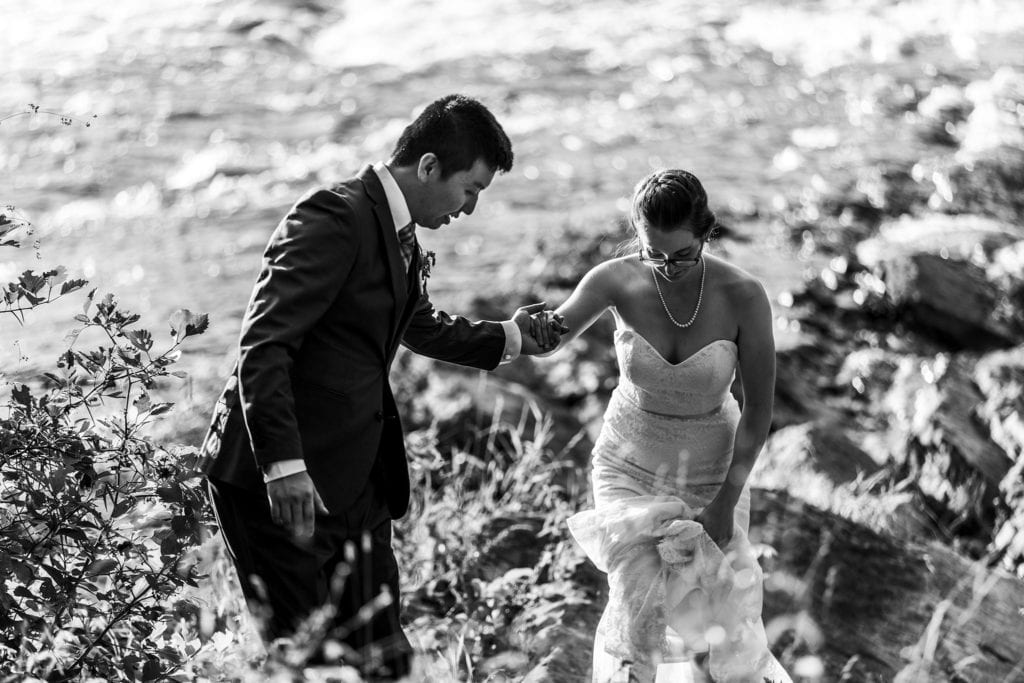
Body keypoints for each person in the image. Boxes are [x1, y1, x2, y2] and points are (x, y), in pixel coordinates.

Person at [198, 94, 563, 679]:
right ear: (428, 166)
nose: (470, 208)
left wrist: (512, 336)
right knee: (310, 660)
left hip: (355, 480)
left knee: (385, 658)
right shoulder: (331, 216)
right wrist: (283, 466)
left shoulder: (401, 231)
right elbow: (264, 344)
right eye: (470, 190)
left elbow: (420, 324)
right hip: (280, 483)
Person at [529, 169, 791, 682]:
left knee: (717, 619)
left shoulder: (744, 295)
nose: (668, 268)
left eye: (682, 255)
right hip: (627, 463)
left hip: (712, 472)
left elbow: (759, 408)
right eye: (655, 255)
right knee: (638, 601)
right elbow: (550, 336)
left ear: (706, 233)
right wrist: (514, 331)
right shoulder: (614, 279)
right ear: (637, 233)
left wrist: (726, 500)